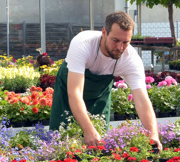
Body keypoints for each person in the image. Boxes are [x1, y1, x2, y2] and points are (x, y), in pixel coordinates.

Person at [49, 11, 161, 149]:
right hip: (68, 93)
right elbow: (75, 93)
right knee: (62, 142)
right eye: (115, 40)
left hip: (99, 97)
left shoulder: (131, 60)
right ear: (104, 32)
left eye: (125, 42)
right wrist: (88, 129)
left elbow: (142, 100)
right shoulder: (82, 44)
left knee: (100, 144)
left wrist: (153, 135)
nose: (120, 47)